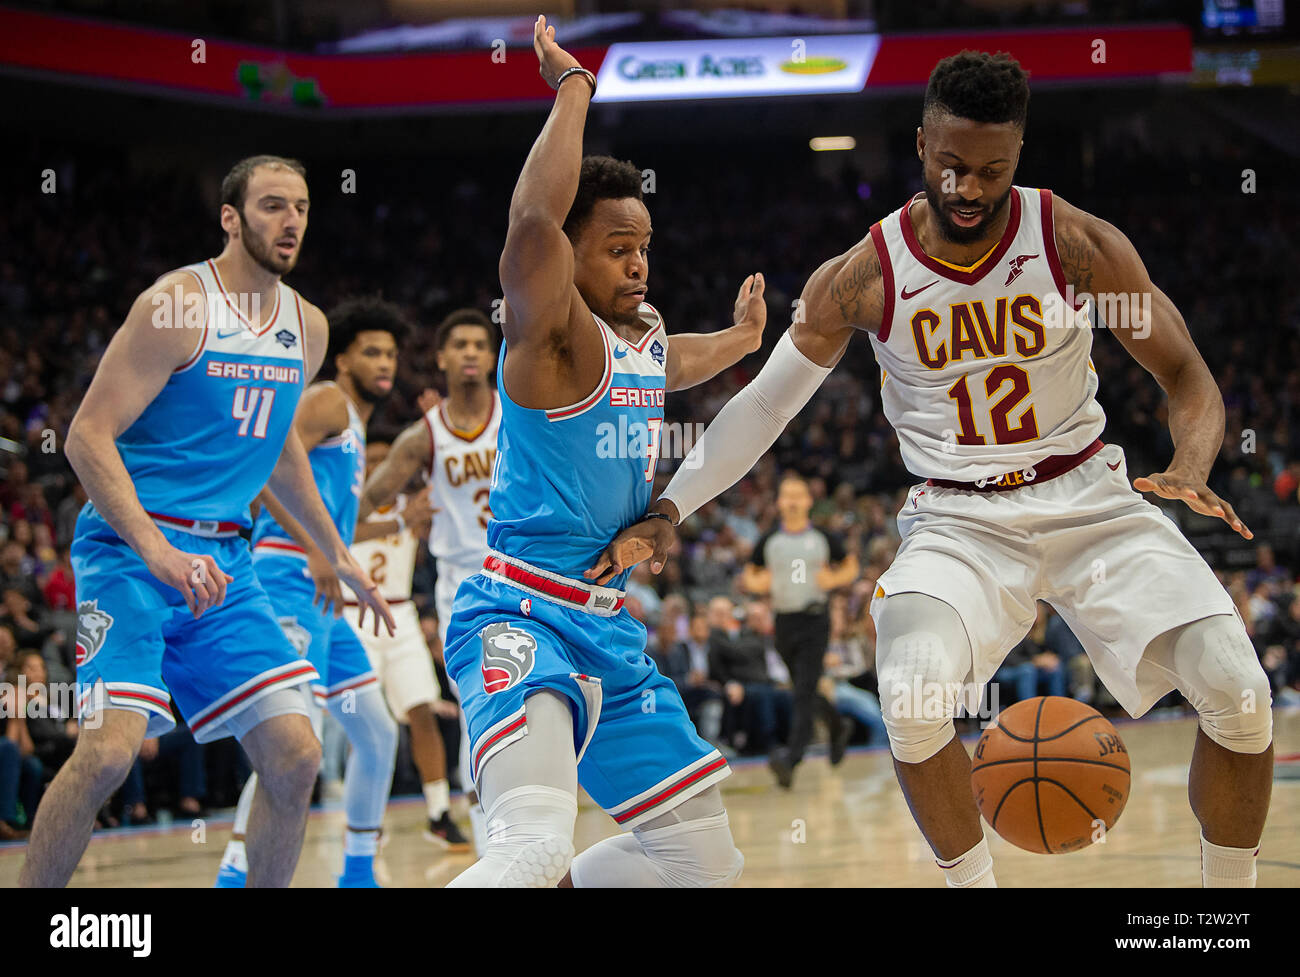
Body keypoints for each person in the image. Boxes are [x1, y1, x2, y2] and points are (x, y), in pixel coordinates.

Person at [598, 52, 1274, 888]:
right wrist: (672, 504)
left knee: (1240, 691)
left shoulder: (1074, 241)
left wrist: (1193, 461)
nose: (967, 186)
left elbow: (1186, 375)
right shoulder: (865, 275)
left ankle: (1224, 912)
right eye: (950, 164)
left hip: (1090, 495)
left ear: (1018, 158)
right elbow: (767, 406)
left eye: (990, 170)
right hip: (957, 520)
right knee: (913, 699)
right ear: (920, 145)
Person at [442, 17, 766, 888]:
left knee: (705, 860)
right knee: (533, 846)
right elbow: (533, 220)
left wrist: (738, 341)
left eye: (644, 248)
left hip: (606, 625)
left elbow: (674, 359)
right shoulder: (553, 340)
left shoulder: (645, 335)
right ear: (570, 260)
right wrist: (574, 84)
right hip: (520, 617)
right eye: (616, 249)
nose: (637, 265)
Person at [18, 155, 392, 889]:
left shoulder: (307, 328)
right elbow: (87, 434)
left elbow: (278, 447)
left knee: (296, 754)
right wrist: (157, 551)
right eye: (273, 206)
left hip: (225, 563)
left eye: (303, 209)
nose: (291, 223)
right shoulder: (176, 306)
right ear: (231, 217)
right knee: (107, 753)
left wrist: (337, 550)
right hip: (132, 550)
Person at [216, 296, 409, 888]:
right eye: (371, 351)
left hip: (322, 590)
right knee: (289, 740)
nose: (385, 363)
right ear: (344, 359)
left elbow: (331, 517)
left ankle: (357, 873)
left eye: (392, 354)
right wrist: (321, 553)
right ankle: (234, 872)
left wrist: (388, 527)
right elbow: (264, 458)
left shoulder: (353, 422)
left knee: (377, 731)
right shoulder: (326, 400)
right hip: (286, 577)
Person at [358, 308, 498, 852]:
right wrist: (398, 518)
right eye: (457, 344)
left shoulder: (517, 414)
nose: (468, 352)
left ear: (491, 356)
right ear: (441, 358)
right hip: (463, 582)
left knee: (542, 696)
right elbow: (361, 500)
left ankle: (530, 822)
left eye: (478, 344)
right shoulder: (424, 436)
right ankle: (488, 838)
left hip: (523, 571)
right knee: (477, 707)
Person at [346, 436, 470, 851]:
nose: (384, 471)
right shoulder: (346, 507)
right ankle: (366, 819)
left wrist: (438, 434)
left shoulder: (412, 507)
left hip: (400, 616)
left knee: (422, 712)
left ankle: (438, 813)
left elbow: (446, 484)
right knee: (365, 722)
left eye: (389, 463)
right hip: (355, 614)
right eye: (375, 462)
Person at [741, 472, 858, 787]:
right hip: (783, 621)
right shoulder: (769, 540)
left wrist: (833, 580)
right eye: (787, 495)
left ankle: (792, 759)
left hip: (814, 620)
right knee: (803, 690)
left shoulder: (822, 537)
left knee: (803, 691)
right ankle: (837, 727)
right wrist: (757, 583)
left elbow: (850, 564)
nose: (792, 501)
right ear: (779, 502)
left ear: (808, 501)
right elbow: (750, 573)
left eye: (798, 495)